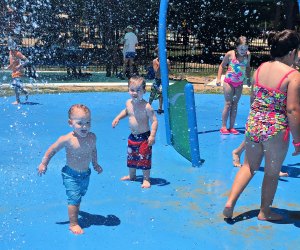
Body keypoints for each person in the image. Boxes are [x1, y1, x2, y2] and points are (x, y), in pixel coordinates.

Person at [223, 30, 300, 221]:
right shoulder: (293, 76)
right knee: (272, 172)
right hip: (275, 129)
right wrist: (298, 140)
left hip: (254, 123)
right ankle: (265, 212)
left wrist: (256, 119)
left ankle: (230, 202)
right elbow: (292, 110)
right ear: (292, 52)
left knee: (249, 166)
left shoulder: (261, 68)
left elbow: (253, 99)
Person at [37, 104, 103, 234]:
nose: (84, 126)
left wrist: (95, 164)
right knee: (74, 198)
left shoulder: (92, 137)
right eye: (80, 123)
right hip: (70, 175)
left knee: (81, 193)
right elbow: (52, 150)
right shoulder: (67, 139)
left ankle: (77, 208)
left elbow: (93, 150)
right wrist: (44, 163)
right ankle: (73, 224)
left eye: (88, 122)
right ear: (70, 123)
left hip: (86, 174)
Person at [112, 76, 158, 188]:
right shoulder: (128, 103)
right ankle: (131, 176)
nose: (134, 93)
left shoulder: (146, 106)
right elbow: (126, 111)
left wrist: (152, 135)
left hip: (144, 137)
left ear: (144, 91)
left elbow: (154, 121)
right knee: (131, 157)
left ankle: (146, 179)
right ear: (128, 90)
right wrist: (118, 117)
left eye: (138, 90)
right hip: (132, 136)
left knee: (144, 158)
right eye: (132, 90)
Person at [217, 36, 251, 135]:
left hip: (239, 83)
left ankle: (231, 127)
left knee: (235, 105)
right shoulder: (230, 54)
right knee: (228, 104)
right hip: (229, 82)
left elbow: (248, 68)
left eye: (245, 48)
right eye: (241, 48)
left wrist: (248, 79)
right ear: (236, 47)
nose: (243, 51)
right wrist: (219, 78)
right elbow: (222, 66)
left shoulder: (248, 55)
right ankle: (223, 126)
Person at [6, 40, 29, 105]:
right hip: (14, 71)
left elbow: (27, 61)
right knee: (16, 86)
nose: (11, 48)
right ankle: (24, 92)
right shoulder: (10, 52)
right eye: (9, 46)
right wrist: (9, 66)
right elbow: (12, 62)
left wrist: (20, 65)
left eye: (12, 46)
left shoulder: (18, 53)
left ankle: (18, 100)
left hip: (19, 71)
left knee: (15, 84)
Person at [148, 47, 170, 114]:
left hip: (163, 80)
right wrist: (160, 64)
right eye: (159, 53)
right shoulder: (155, 61)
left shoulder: (167, 61)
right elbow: (156, 71)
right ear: (157, 54)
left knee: (161, 93)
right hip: (157, 79)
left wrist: (166, 65)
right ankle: (148, 106)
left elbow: (168, 71)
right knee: (152, 93)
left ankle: (160, 108)